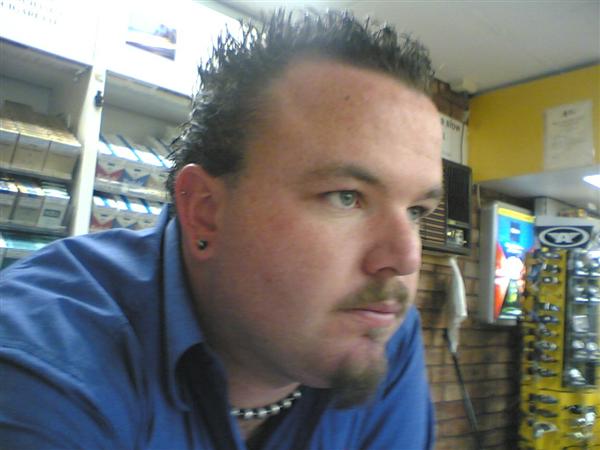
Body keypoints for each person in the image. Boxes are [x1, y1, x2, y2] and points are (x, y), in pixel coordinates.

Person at [0, 9, 443, 450]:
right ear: (206, 211)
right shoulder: (44, 363)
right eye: (346, 196)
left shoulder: (380, 331)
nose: (406, 259)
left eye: (416, 211)